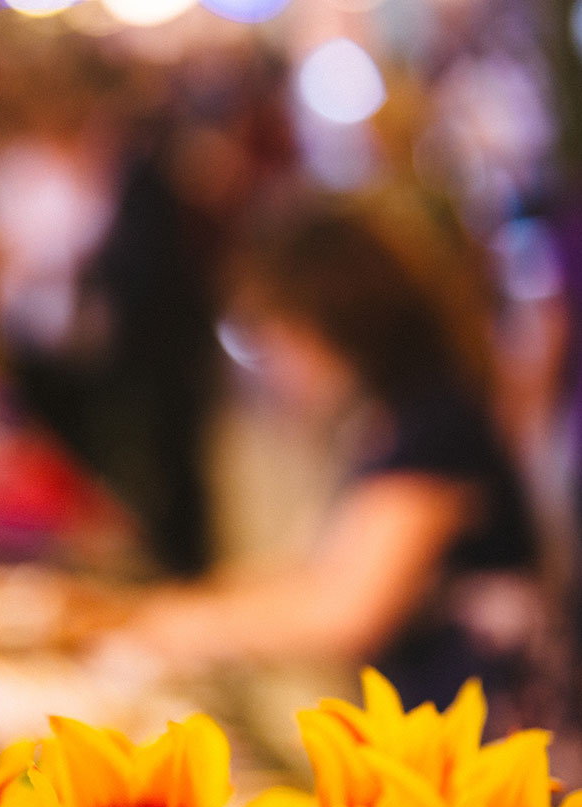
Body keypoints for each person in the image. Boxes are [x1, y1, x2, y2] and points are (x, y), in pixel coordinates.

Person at [116, 201, 555, 729]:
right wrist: (177, 607)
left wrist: (176, 624)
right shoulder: (402, 416)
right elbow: (321, 574)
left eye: (277, 340)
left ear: (333, 324)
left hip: (495, 744)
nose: (275, 369)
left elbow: (349, 611)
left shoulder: (437, 426)